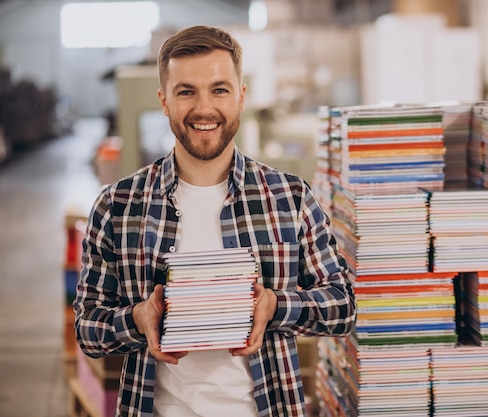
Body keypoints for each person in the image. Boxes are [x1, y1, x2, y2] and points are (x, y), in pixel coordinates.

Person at [74, 25, 356, 417]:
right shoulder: (118, 205)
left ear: (241, 97)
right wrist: (138, 318)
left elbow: (342, 307)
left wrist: (275, 306)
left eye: (219, 89)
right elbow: (88, 328)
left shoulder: (290, 198)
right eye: (186, 91)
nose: (204, 108)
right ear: (164, 101)